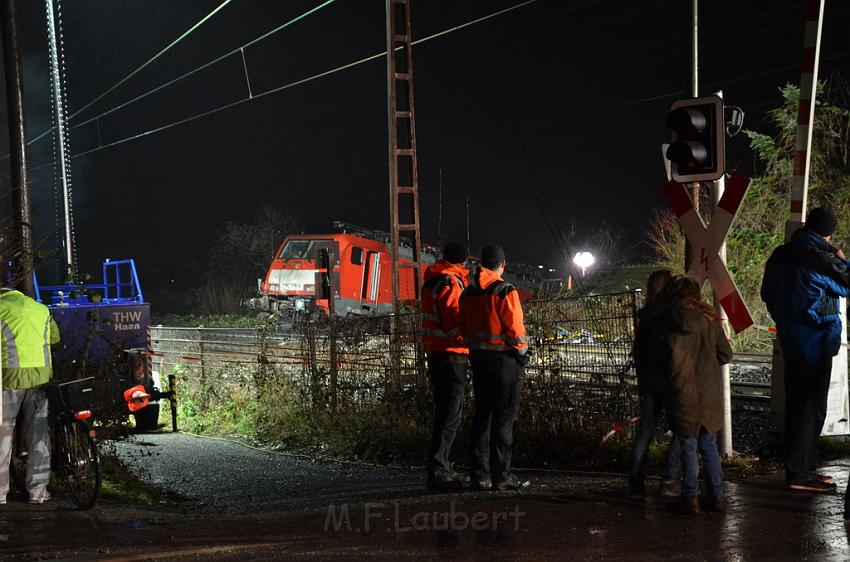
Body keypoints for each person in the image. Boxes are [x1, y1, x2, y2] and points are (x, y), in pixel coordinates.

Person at [761, 207, 850, 492]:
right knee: (810, 408)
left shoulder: (779, 255)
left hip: (791, 336)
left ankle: (802, 469)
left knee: (797, 405)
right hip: (816, 338)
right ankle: (801, 475)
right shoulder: (820, 258)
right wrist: (841, 260)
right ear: (828, 232)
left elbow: (767, 294)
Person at [658, 276, 733, 515]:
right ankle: (718, 497)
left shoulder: (667, 323)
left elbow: (660, 361)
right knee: (709, 446)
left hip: (682, 393)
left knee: (687, 447)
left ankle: (691, 499)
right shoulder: (710, 322)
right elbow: (726, 355)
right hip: (709, 393)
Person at [459, 245, 528, 491]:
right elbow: (516, 330)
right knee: (504, 418)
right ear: (503, 264)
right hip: (504, 363)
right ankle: (502, 476)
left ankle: (480, 475)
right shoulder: (504, 291)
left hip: (478, 361)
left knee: (482, 417)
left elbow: (463, 329)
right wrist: (522, 351)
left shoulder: (467, 294)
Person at [0, 285, 61, 505]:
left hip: (8, 379)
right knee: (39, 437)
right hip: (40, 379)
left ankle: (0, 494)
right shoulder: (40, 309)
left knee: (3, 437)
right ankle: (38, 493)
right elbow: (54, 337)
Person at [627, 269, 682, 498]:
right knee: (682, 428)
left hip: (649, 382)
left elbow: (639, 352)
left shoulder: (646, 315)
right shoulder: (670, 315)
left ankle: (636, 480)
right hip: (668, 381)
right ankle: (670, 479)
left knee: (645, 430)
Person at [421, 242, 470, 490]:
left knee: (444, 412)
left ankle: (441, 467)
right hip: (452, 355)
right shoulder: (451, 283)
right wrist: (473, 338)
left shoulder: (431, 280)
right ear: (462, 261)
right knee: (450, 414)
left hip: (435, 353)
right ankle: (439, 470)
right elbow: (453, 325)